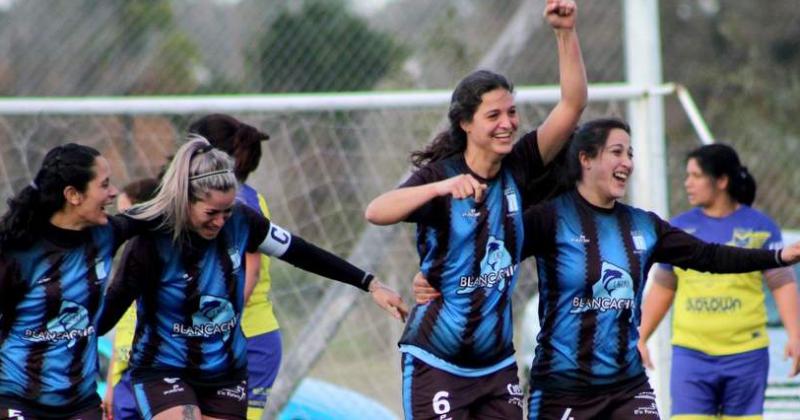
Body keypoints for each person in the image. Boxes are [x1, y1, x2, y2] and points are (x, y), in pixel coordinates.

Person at [413, 118, 800, 419]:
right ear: (586, 159)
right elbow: (487, 252)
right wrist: (433, 276)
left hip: (627, 386)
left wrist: (777, 257)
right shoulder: (547, 219)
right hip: (562, 387)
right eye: (617, 152)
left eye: (630, 154)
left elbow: (711, 257)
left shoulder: (645, 226)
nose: (627, 163)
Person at [364, 0, 587, 417]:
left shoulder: (519, 165)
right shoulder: (440, 177)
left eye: (511, 112)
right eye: (493, 115)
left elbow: (572, 105)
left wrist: (565, 32)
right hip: (437, 361)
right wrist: (443, 187)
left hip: (497, 366)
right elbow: (376, 211)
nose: (507, 123)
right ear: (466, 123)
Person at [97, 137, 408, 420]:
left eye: (227, 211)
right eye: (211, 213)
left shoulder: (244, 223)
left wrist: (369, 283)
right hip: (162, 368)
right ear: (185, 201)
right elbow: (110, 305)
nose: (220, 221)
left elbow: (301, 252)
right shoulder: (149, 240)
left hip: (225, 372)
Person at [638, 143, 800, 419]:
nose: (687, 183)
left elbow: (782, 282)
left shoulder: (760, 227)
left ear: (722, 181)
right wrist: (640, 338)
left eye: (695, 175)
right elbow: (664, 285)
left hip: (746, 354)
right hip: (691, 354)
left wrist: (795, 335)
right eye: (686, 175)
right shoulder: (679, 228)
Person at [0, 144, 155, 419]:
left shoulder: (105, 235)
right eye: (104, 184)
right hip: (17, 399)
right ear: (73, 194)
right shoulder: (17, 252)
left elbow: (156, 214)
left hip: (80, 404)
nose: (113, 192)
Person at [187, 113, 280, 419]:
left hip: (247, 339)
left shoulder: (241, 203)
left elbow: (248, 277)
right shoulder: (205, 200)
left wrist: (212, 330)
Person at [103, 177, 160, 420]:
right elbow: (120, 337)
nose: (122, 224)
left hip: (157, 373)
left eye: (127, 214)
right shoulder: (128, 265)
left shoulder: (161, 257)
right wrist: (110, 387)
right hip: (125, 377)